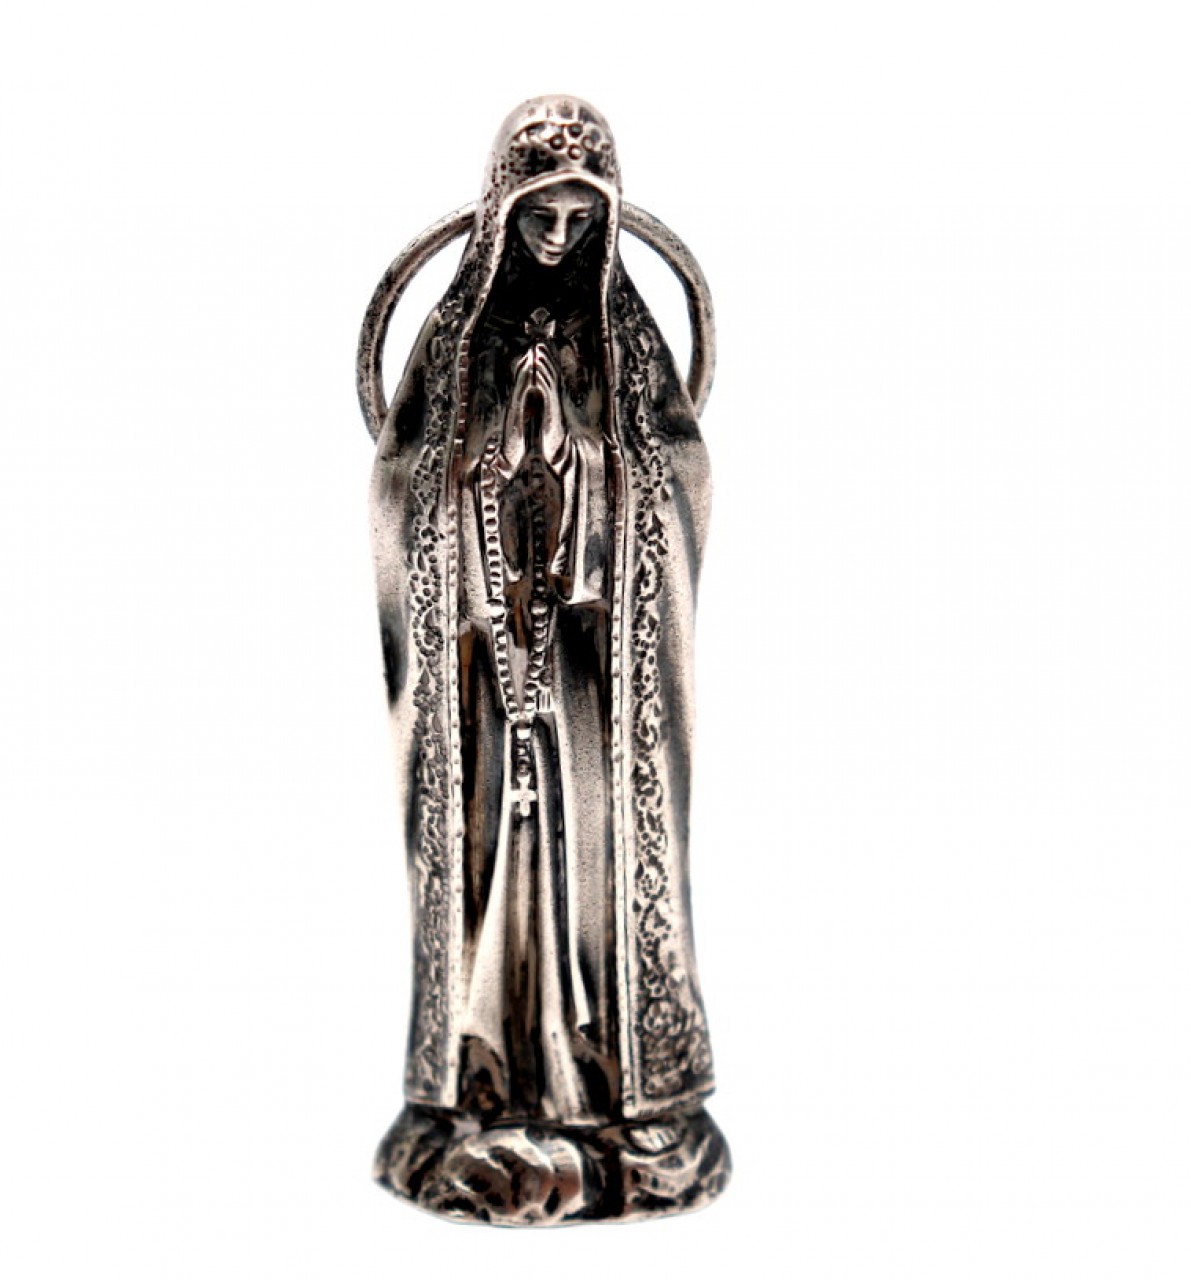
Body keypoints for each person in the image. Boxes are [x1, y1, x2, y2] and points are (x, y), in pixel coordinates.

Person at [370, 96, 725, 1223]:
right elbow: (409, 487)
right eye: (541, 217)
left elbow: (672, 480)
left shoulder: (628, 347)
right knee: (493, 869)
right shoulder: (457, 346)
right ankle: (481, 1091)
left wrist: (591, 487)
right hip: (486, 676)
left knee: (595, 864)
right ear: (504, 213)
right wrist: (488, 494)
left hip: (590, 683)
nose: (561, 239)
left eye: (581, 218)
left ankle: (615, 1093)